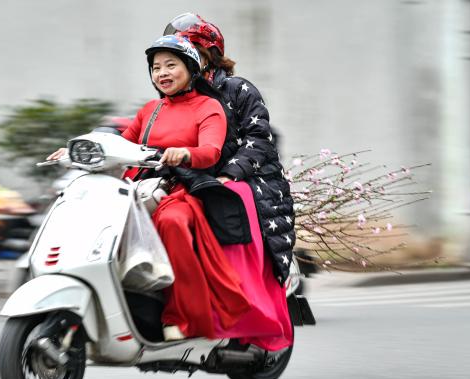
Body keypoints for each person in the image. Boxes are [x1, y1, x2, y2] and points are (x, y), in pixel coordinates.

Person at [48, 35, 251, 341]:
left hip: (180, 192)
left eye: (171, 65)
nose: (162, 73)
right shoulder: (150, 110)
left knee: (171, 224)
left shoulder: (208, 107)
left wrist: (185, 153)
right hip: (138, 190)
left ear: (192, 67)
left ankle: (181, 318)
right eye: (156, 68)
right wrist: (72, 151)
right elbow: (117, 143)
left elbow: (210, 150)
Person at [164, 13, 295, 351]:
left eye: (187, 49)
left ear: (208, 53)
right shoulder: (176, 95)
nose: (173, 63)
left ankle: (241, 315)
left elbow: (259, 139)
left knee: (227, 202)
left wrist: (229, 173)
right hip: (199, 177)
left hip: (253, 179)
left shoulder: (238, 89)